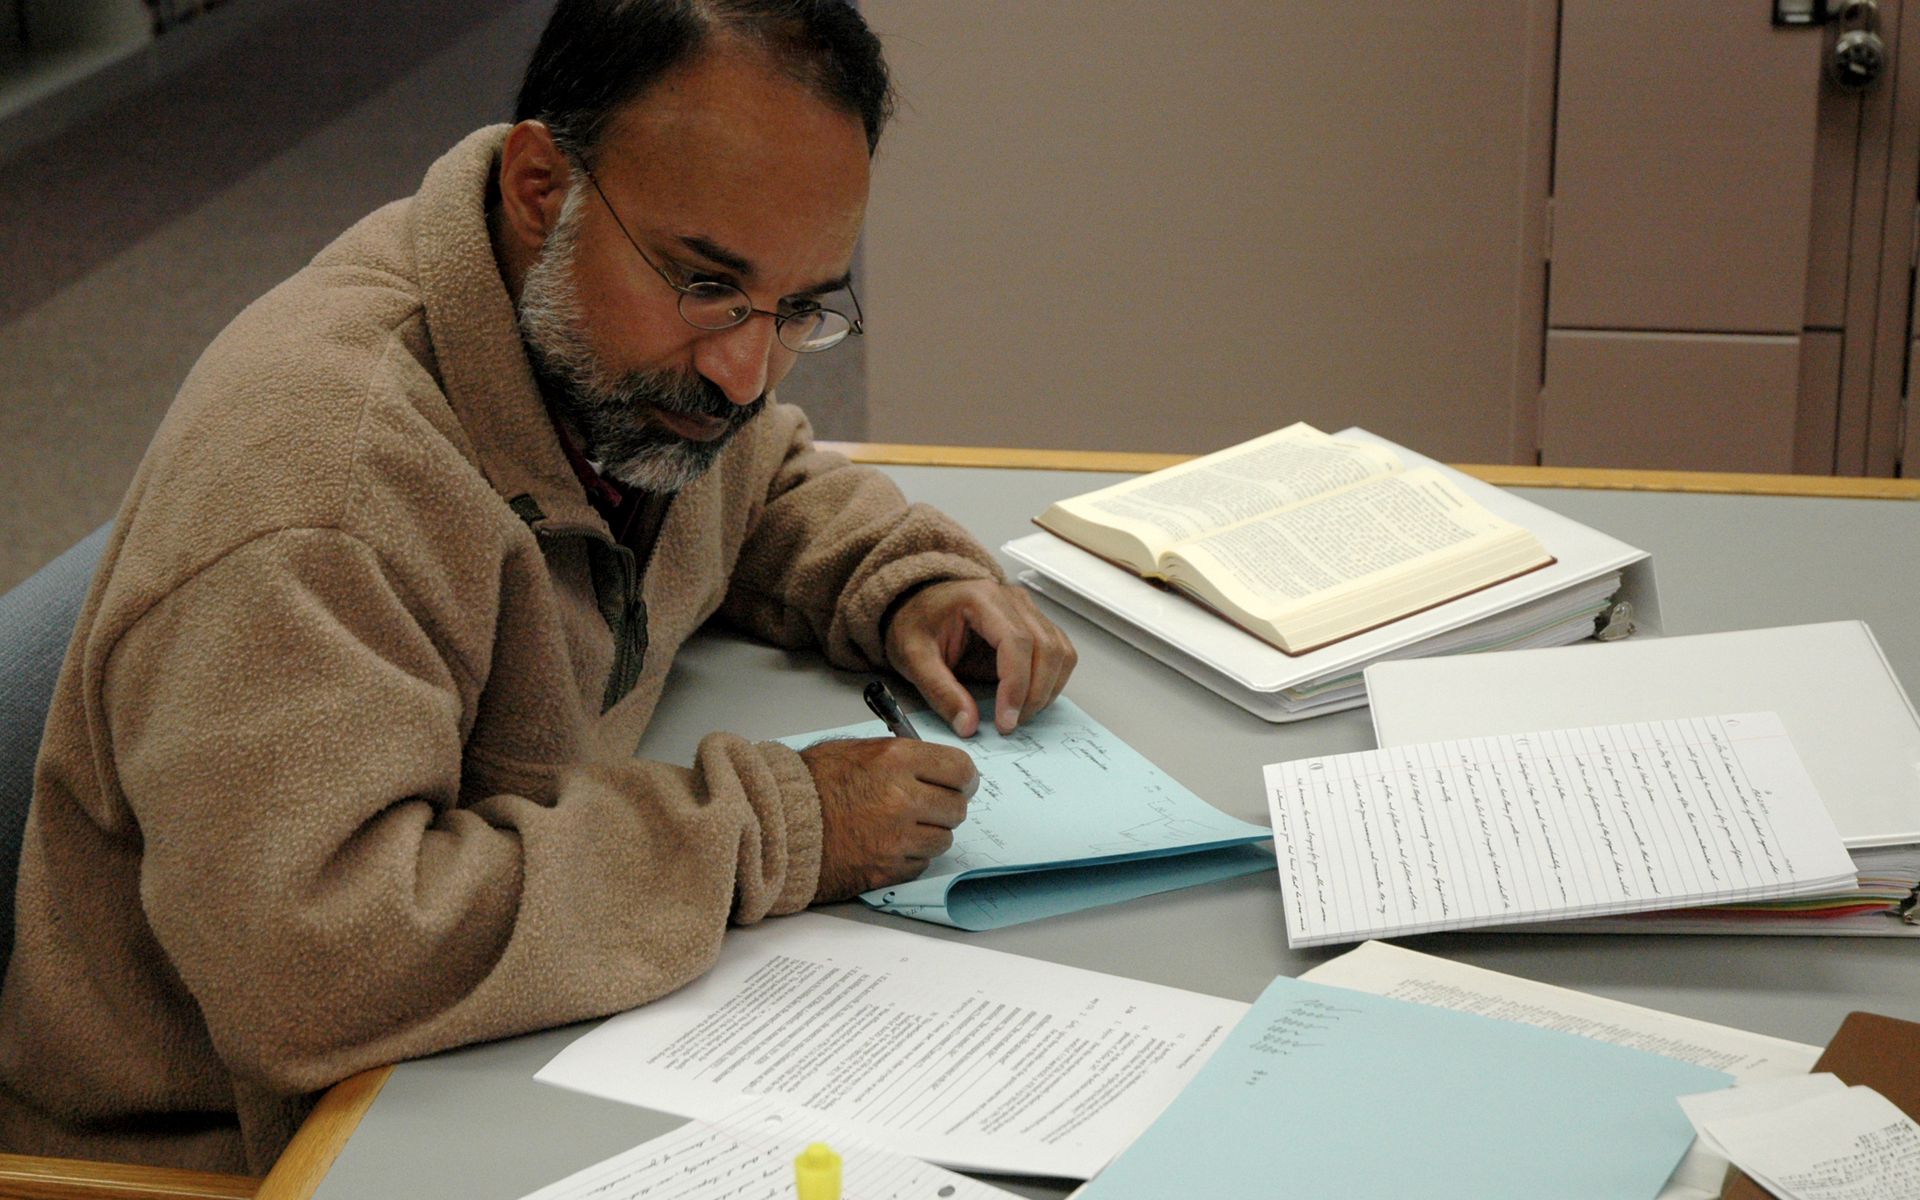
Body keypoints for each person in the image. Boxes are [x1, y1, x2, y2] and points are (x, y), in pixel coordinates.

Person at [0, 0, 1077, 1175]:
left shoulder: (612, 358)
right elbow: (317, 961)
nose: (744, 369)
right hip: (243, 1150)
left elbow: (751, 481)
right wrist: (783, 829)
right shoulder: (327, 491)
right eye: (708, 283)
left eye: (802, 308)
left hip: (471, 1056)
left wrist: (898, 577)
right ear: (539, 190)